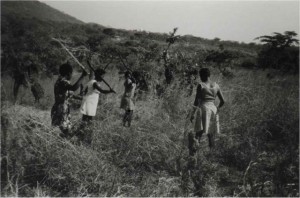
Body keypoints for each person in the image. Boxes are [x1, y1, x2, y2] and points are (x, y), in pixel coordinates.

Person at [189, 68, 225, 155]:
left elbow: (196, 101)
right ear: (209, 75)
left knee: (198, 133)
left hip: (203, 108)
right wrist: (217, 108)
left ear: (202, 75)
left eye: (200, 76)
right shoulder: (216, 85)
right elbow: (223, 101)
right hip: (213, 109)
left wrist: (193, 113)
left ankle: (193, 155)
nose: (200, 78)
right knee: (211, 134)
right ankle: (211, 155)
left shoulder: (201, 85)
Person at [78, 68, 114, 144]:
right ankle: (84, 139)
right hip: (88, 104)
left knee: (86, 122)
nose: (103, 78)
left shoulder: (95, 82)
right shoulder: (94, 83)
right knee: (86, 122)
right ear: (98, 76)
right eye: (102, 76)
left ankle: (83, 138)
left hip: (91, 104)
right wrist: (110, 91)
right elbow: (102, 91)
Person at [51, 63, 87, 138]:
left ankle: (62, 144)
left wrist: (81, 98)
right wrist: (82, 76)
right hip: (60, 110)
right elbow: (73, 88)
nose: (72, 75)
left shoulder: (62, 82)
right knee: (62, 130)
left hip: (63, 109)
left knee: (65, 130)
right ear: (68, 73)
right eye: (71, 73)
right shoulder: (62, 81)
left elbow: (69, 94)